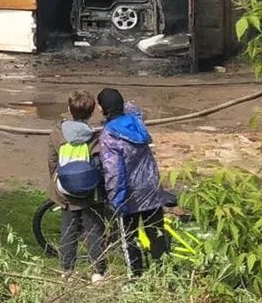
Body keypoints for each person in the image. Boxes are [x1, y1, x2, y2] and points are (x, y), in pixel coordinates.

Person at [97, 87, 173, 275]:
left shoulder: (109, 135)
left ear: (103, 108)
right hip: (152, 188)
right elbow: (133, 107)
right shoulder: (136, 122)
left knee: (129, 239)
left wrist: (116, 200)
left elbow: (114, 171)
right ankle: (164, 276)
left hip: (129, 195)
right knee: (156, 234)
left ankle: (136, 278)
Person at [48, 90, 106, 282]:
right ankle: (97, 272)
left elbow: (52, 161)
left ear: (69, 110)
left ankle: (67, 271)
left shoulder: (57, 134)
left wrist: (57, 182)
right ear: (91, 114)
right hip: (89, 191)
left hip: (65, 190)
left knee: (68, 231)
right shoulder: (94, 136)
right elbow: (99, 162)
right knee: (94, 231)